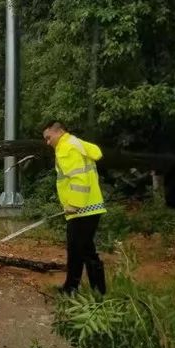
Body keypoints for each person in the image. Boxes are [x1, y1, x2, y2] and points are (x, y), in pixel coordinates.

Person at [42, 121, 107, 294]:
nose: (48, 142)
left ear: (59, 132)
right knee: (86, 249)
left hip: (81, 209)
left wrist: (74, 204)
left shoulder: (65, 148)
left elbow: (79, 179)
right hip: (91, 206)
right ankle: (97, 290)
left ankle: (72, 289)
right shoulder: (77, 144)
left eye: (48, 138)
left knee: (77, 250)